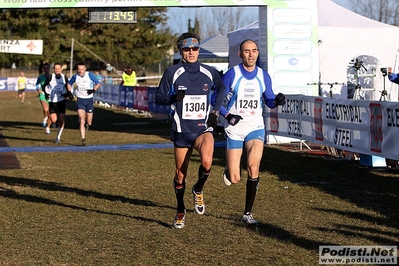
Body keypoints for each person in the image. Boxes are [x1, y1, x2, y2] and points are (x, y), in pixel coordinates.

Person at [155, 32, 225, 229]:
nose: (191, 52)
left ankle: (198, 189)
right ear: (181, 51)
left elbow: (221, 89)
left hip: (203, 128)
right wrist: (173, 98)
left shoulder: (209, 71)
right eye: (187, 49)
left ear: (199, 50)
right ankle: (180, 209)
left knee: (207, 162)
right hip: (181, 130)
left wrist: (215, 111)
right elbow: (159, 97)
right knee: (180, 175)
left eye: (195, 48)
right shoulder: (172, 72)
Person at [219, 39, 286, 225]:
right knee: (234, 179)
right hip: (234, 128)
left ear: (258, 53)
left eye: (254, 51)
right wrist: (227, 116)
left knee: (253, 167)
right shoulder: (232, 74)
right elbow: (215, 101)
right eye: (247, 51)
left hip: (255, 126)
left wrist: (277, 101)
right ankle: (229, 170)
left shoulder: (264, 76)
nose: (251, 54)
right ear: (240, 54)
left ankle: (247, 213)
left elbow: (269, 100)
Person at [67, 62, 101, 146]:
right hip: (80, 100)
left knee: (89, 121)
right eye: (79, 69)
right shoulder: (75, 76)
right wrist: (69, 92)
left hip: (89, 100)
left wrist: (93, 90)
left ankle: (87, 124)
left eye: (82, 69)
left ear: (85, 69)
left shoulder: (90, 75)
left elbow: (98, 83)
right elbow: (69, 84)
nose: (80, 71)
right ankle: (83, 139)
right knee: (82, 119)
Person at [42, 63, 70, 144]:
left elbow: (68, 87)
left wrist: (68, 94)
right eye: (55, 68)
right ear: (54, 69)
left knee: (61, 120)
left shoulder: (64, 77)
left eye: (58, 68)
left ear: (61, 69)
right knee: (54, 120)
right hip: (52, 101)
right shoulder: (51, 77)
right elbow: (44, 86)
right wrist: (46, 94)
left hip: (61, 101)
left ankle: (58, 137)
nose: (57, 70)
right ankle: (47, 119)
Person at [36, 63, 52, 134]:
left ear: (49, 69)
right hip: (43, 95)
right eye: (44, 68)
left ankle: (48, 127)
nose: (46, 70)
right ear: (43, 69)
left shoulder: (52, 77)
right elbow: (37, 85)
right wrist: (38, 89)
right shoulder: (40, 77)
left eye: (47, 68)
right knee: (46, 109)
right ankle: (45, 118)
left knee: (50, 114)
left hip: (51, 96)